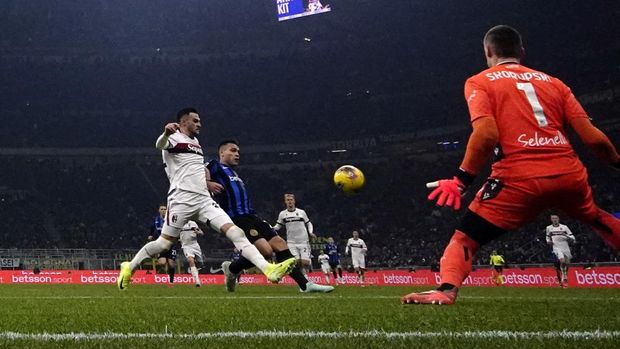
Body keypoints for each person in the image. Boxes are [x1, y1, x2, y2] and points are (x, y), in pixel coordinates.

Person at [401, 25, 620, 305]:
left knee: (464, 239)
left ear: (488, 52)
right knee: (598, 218)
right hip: (568, 173)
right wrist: (616, 162)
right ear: (522, 52)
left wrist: (460, 180)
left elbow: (486, 134)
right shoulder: (555, 83)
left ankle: (445, 290)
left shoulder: (480, 81)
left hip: (517, 178)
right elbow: (593, 138)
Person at [117, 108, 296, 290]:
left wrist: (208, 183)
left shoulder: (196, 142)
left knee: (236, 232)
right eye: (195, 121)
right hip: (181, 199)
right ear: (184, 122)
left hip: (203, 199)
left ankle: (268, 269)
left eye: (199, 121)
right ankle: (129, 267)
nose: (199, 124)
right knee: (163, 243)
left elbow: (197, 169)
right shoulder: (173, 138)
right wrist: (165, 132)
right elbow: (159, 145)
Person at [207, 140, 333, 293]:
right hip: (237, 218)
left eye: (238, 151)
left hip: (252, 215)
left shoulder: (234, 173)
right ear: (222, 153)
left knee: (280, 244)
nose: (237, 154)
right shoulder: (214, 165)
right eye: (233, 151)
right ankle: (233, 268)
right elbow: (196, 172)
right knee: (266, 252)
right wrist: (207, 183)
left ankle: (305, 285)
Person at [273, 193, 316, 275]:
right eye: (288, 200)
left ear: (294, 201)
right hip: (291, 242)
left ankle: (306, 273)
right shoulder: (282, 214)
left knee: (305, 263)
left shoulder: (301, 212)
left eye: (291, 200)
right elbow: (278, 226)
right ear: (285, 201)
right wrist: (271, 228)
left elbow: (309, 223)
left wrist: (310, 232)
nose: (290, 201)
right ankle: (305, 282)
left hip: (303, 241)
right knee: (296, 263)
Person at [147, 204, 177, 283]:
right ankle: (166, 271)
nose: (163, 210)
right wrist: (150, 235)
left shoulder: (170, 220)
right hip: (160, 244)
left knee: (171, 264)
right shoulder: (155, 219)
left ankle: (171, 280)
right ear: (159, 210)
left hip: (170, 244)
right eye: (162, 209)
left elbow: (176, 229)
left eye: (165, 209)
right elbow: (152, 229)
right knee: (162, 262)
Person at [546, 215, 576, 288]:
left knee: (567, 263)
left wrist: (565, 235)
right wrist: (549, 241)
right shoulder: (549, 228)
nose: (554, 220)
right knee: (562, 261)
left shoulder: (564, 227)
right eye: (553, 218)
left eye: (556, 218)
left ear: (558, 219)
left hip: (565, 246)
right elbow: (547, 237)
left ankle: (564, 276)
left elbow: (572, 237)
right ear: (551, 220)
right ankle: (564, 277)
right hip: (556, 247)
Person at [180, 220, 204, 287]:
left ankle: (198, 265)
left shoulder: (192, 223)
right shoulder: (179, 223)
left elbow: (201, 232)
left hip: (195, 246)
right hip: (186, 246)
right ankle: (197, 281)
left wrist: (199, 232)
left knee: (200, 264)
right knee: (190, 260)